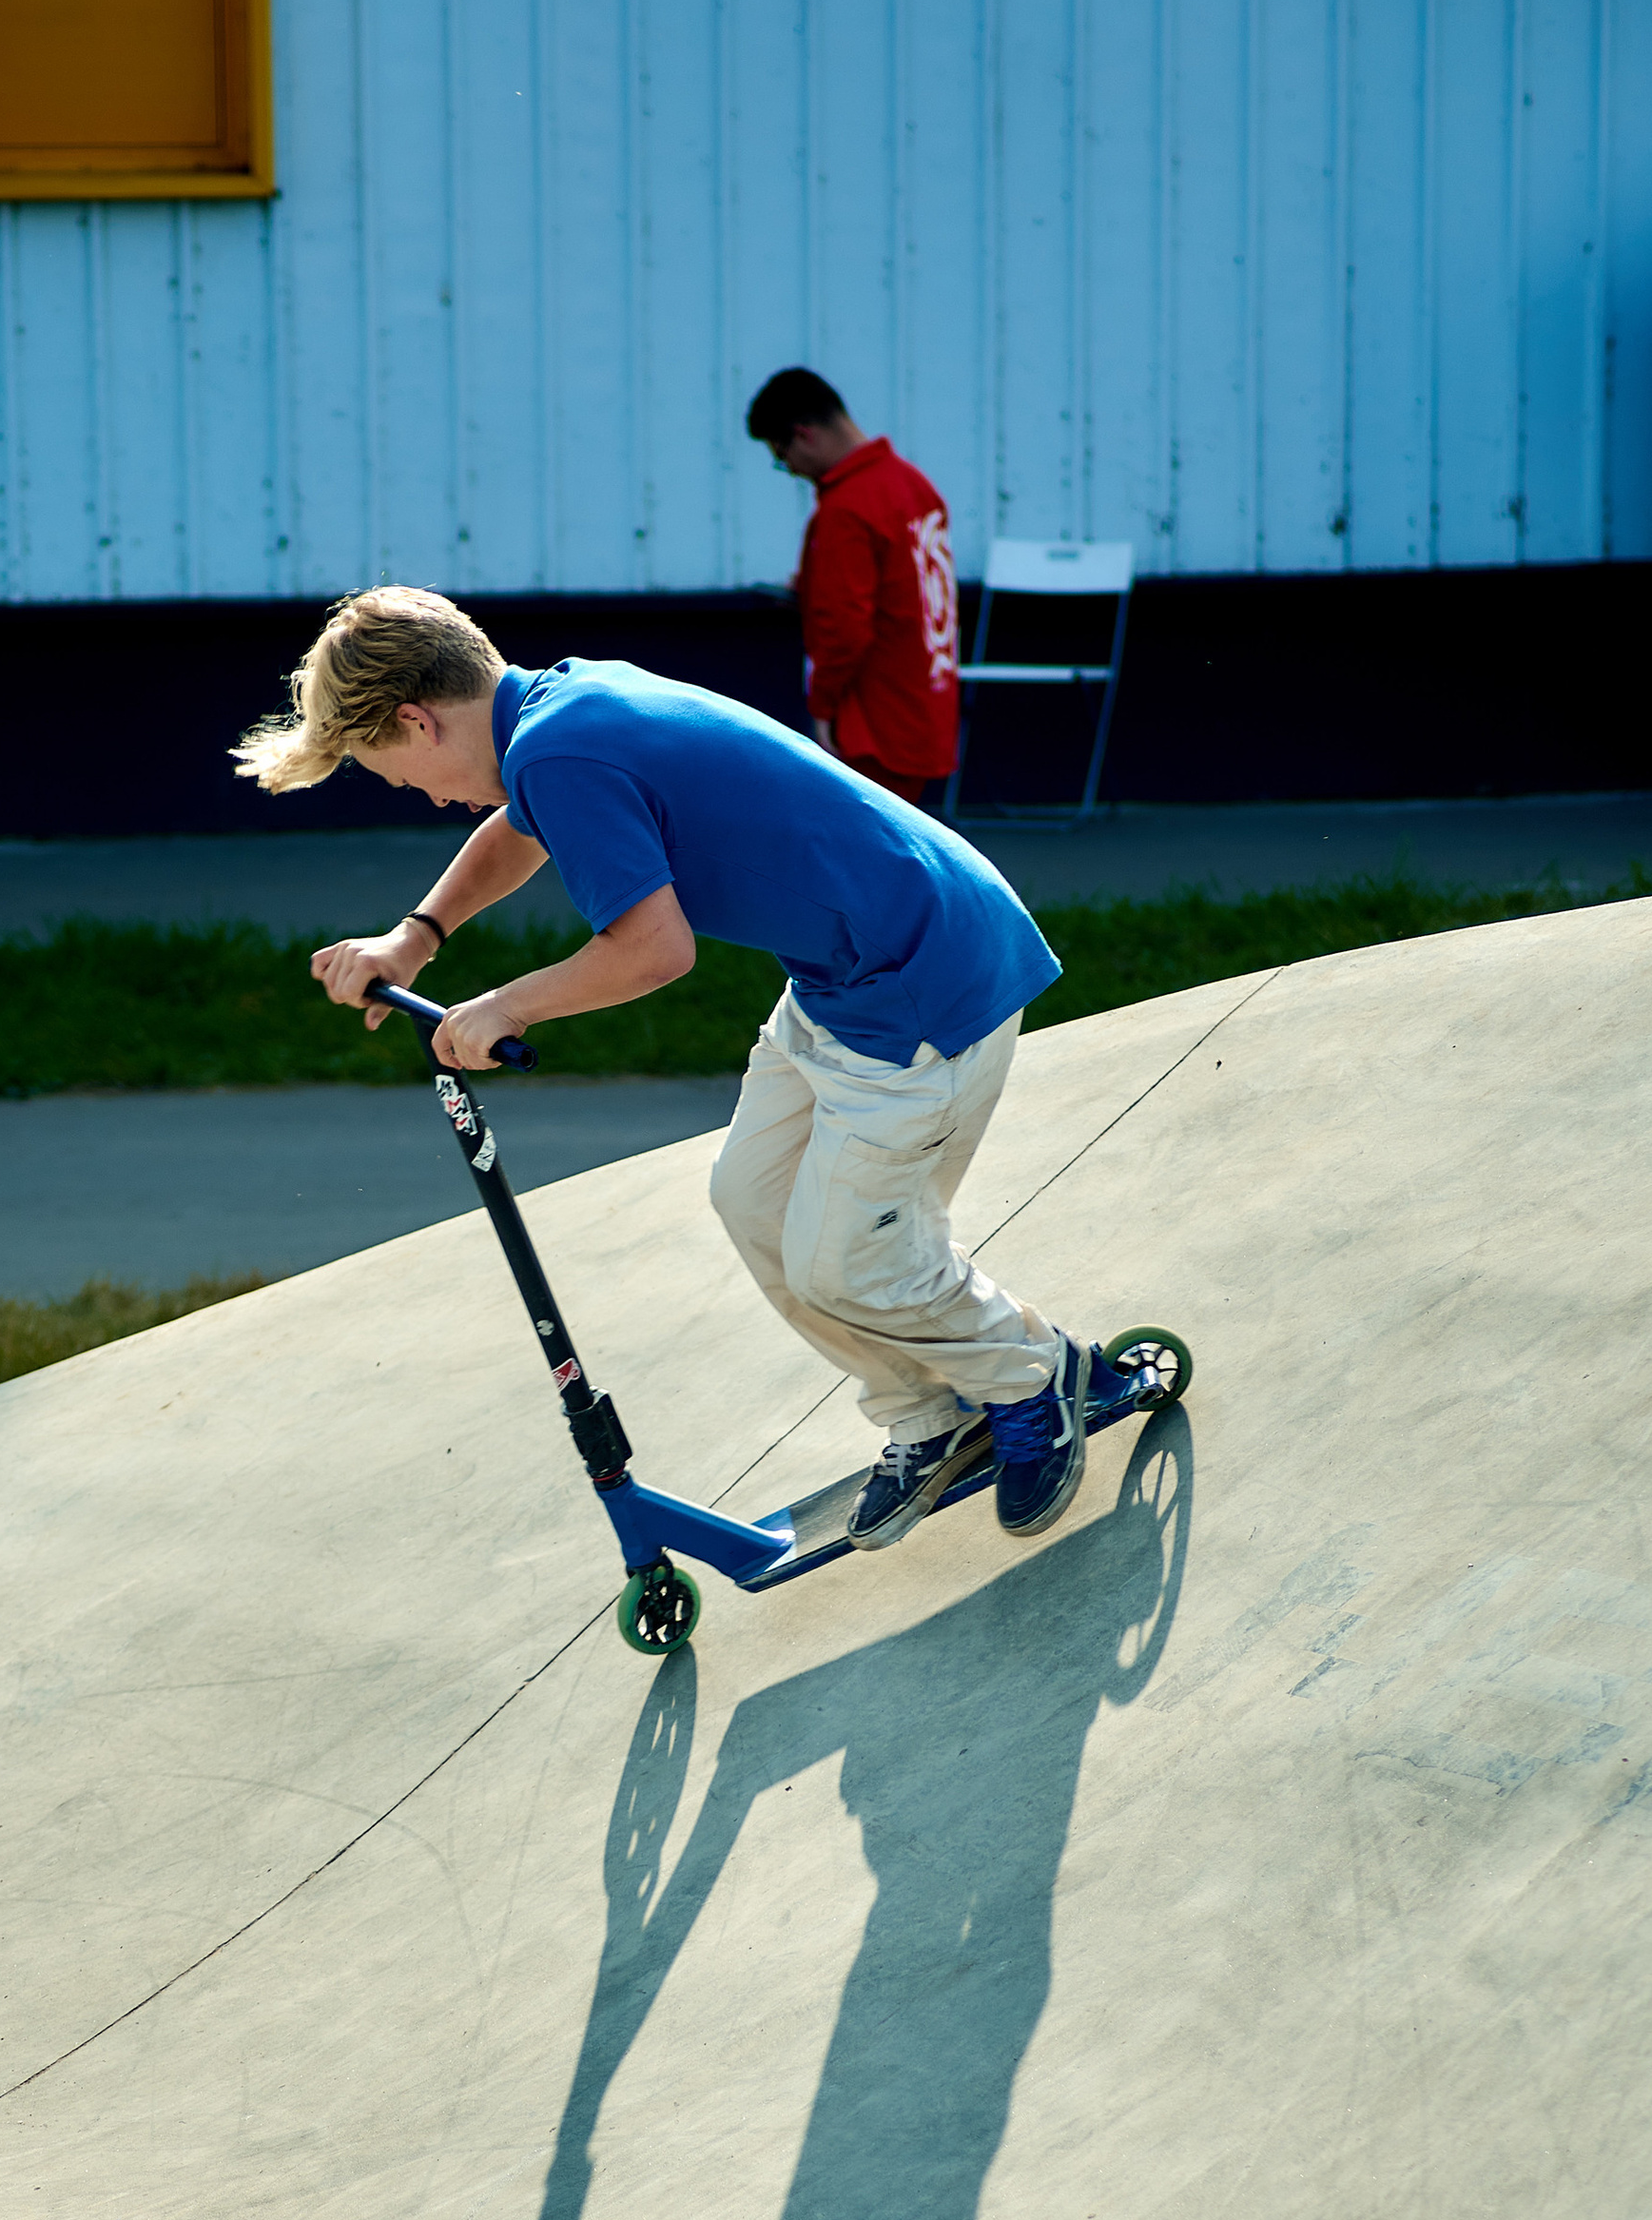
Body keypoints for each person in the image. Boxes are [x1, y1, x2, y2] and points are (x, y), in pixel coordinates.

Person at [238, 585, 1105, 1549]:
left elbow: (653, 951)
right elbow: (516, 828)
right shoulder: (556, 710)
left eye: (401, 777)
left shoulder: (556, 751)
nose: (426, 799)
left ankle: (1033, 1374)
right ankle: (927, 1410)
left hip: (921, 990)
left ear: (417, 720)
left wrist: (508, 1005)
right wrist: (417, 937)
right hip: (845, 977)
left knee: (847, 1260)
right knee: (753, 1202)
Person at [743, 368, 961, 808]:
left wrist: (823, 708)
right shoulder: (912, 484)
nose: (790, 472)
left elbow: (845, 628)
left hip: (873, 723)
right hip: (924, 705)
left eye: (782, 456)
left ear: (803, 435)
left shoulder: (847, 507)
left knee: (860, 861)